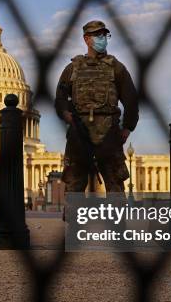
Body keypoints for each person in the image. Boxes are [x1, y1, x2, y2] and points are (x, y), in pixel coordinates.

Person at [55, 20, 139, 193]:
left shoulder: (116, 68)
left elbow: (131, 99)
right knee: (75, 184)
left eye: (104, 35)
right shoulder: (72, 69)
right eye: (98, 35)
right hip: (80, 132)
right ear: (87, 39)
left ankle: (116, 219)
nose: (103, 38)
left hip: (109, 133)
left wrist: (127, 128)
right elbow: (60, 98)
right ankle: (74, 218)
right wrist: (67, 115)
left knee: (114, 182)